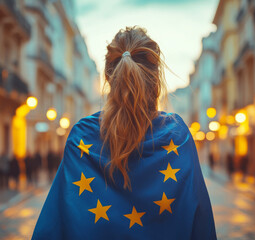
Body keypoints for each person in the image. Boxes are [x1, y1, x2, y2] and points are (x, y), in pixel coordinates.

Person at [32, 26, 216, 239]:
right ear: (156, 79)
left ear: (109, 77)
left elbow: (52, 228)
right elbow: (202, 226)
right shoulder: (178, 136)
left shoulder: (81, 137)